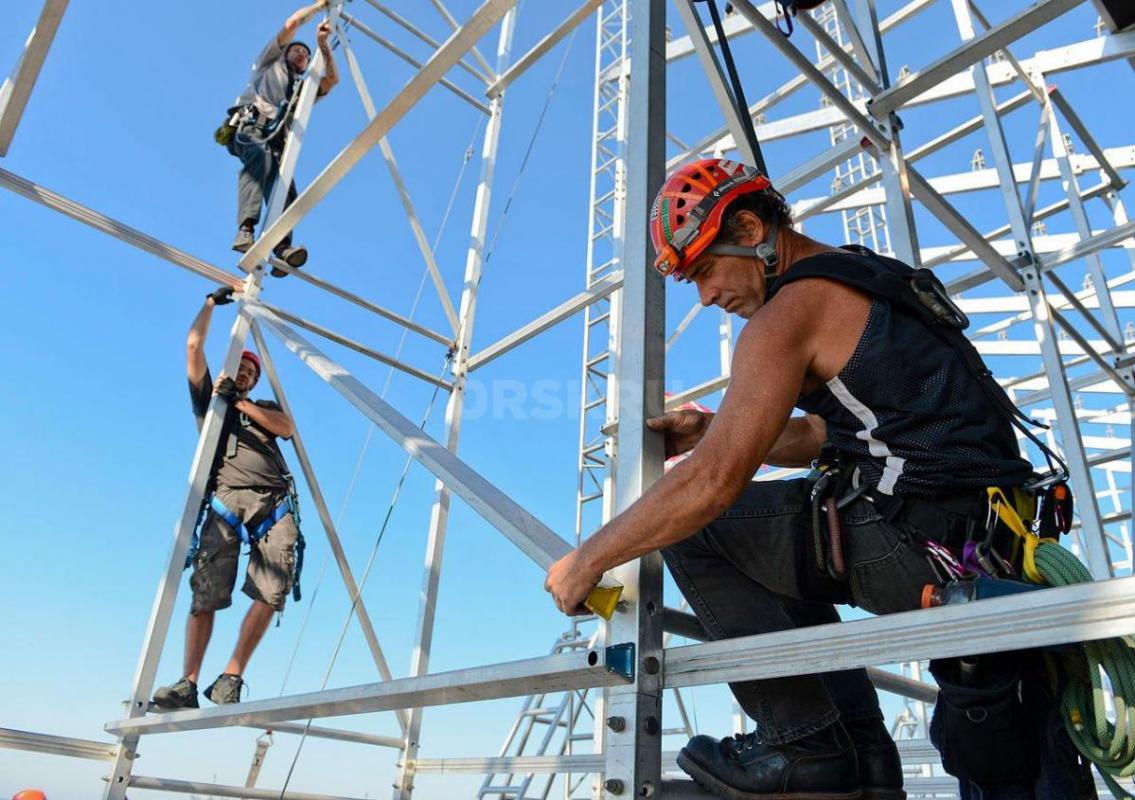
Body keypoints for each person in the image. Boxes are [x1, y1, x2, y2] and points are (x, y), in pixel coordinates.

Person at [543, 159, 1073, 799]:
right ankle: (861, 761)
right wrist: (713, 428)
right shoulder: (865, 276)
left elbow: (713, 484)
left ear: (749, 227)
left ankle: (808, 744)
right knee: (1015, 745)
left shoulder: (786, 315)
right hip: (991, 542)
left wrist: (588, 559)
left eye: (705, 269)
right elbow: (839, 435)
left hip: (917, 542)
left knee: (697, 530)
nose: (705, 296)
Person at [152, 286, 301, 708]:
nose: (248, 375)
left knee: (273, 591)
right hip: (226, 502)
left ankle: (231, 676)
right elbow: (194, 345)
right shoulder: (210, 403)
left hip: (273, 504)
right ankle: (188, 682)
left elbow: (286, 428)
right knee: (206, 594)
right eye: (242, 369)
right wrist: (210, 305)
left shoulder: (261, 408)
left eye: (253, 373)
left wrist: (244, 405)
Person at [225, 1, 339, 276]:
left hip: (277, 141)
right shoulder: (269, 62)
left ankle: (282, 247)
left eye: (305, 54)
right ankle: (246, 229)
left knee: (286, 190)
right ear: (285, 52)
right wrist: (321, 5)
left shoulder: (301, 89)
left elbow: (331, 80)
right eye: (297, 50)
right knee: (259, 158)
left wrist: (323, 45)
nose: (302, 54)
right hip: (251, 127)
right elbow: (292, 24)